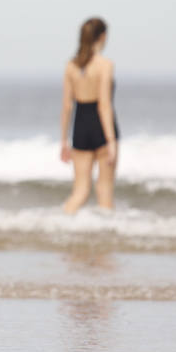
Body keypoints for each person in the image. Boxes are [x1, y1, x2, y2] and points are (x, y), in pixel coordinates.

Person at [59, 17, 119, 213]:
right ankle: (106, 239)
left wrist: (64, 142)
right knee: (104, 191)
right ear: (102, 36)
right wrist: (110, 140)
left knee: (80, 191)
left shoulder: (71, 66)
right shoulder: (105, 65)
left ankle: (59, 226)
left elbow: (67, 106)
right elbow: (104, 105)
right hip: (102, 129)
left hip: (80, 128)